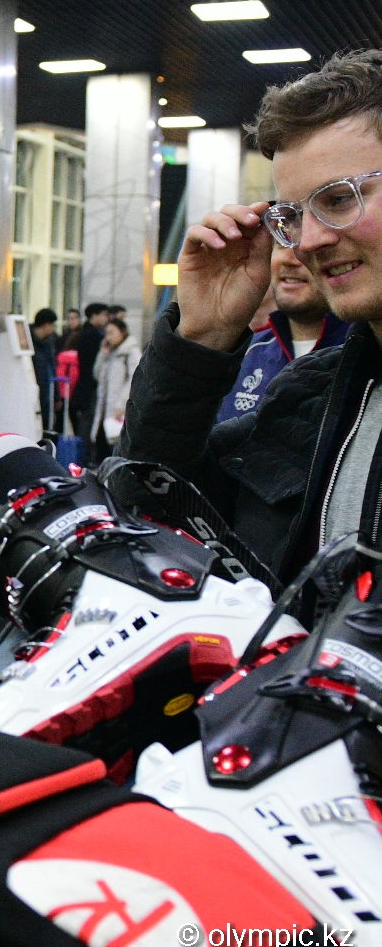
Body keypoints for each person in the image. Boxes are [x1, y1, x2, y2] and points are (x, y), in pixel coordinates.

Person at [119, 48, 382, 584]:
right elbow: (145, 507)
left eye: (338, 199)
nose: (308, 241)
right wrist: (202, 336)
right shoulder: (308, 397)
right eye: (293, 215)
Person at [215, 241, 350, 423]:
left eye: (304, 245)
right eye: (281, 243)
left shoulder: (366, 352)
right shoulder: (246, 353)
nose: (289, 259)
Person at [90, 317, 135, 462]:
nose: (108, 337)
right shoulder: (109, 352)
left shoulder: (130, 352)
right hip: (104, 409)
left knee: (116, 448)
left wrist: (121, 404)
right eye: (106, 333)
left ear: (122, 332)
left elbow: (134, 379)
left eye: (112, 332)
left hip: (119, 410)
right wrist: (102, 355)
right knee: (102, 447)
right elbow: (97, 374)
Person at [67, 302, 110, 441]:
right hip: (89, 385)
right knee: (88, 420)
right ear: (94, 316)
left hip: (85, 385)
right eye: (104, 315)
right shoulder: (92, 336)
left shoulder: (88, 333)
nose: (106, 318)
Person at [29, 307, 60, 433]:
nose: (53, 329)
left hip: (47, 395)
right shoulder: (29, 342)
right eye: (52, 325)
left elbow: (53, 369)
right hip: (35, 395)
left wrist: (57, 396)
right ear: (46, 325)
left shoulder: (48, 343)